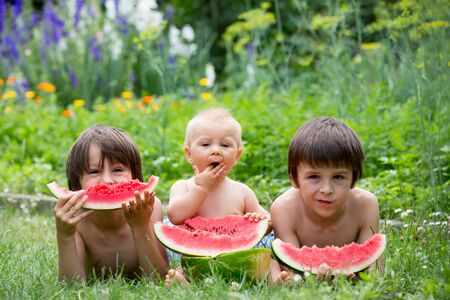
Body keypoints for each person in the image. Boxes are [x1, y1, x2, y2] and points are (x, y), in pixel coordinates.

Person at [165, 108, 271, 286]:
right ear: (189, 154)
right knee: (182, 272)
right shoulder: (183, 186)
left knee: (267, 267)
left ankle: (276, 280)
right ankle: (182, 283)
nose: (216, 151)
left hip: (236, 261)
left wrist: (261, 220)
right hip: (195, 261)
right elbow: (175, 216)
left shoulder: (242, 191)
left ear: (237, 155)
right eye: (206, 145)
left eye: (225, 145)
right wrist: (201, 189)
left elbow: (266, 222)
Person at [270, 117, 382, 283]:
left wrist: (358, 278)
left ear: (353, 178)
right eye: (314, 176)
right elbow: (293, 272)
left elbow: (375, 273)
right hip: (271, 244)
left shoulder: (366, 206)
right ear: (294, 178)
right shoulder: (284, 209)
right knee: (271, 270)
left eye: (338, 177)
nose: (326, 190)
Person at [53, 125, 168, 282]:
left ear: (135, 176)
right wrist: (64, 235)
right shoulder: (76, 220)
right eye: (94, 172)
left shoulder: (150, 209)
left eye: (118, 170)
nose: (107, 180)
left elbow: (159, 280)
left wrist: (140, 227)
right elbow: (71, 286)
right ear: (76, 182)